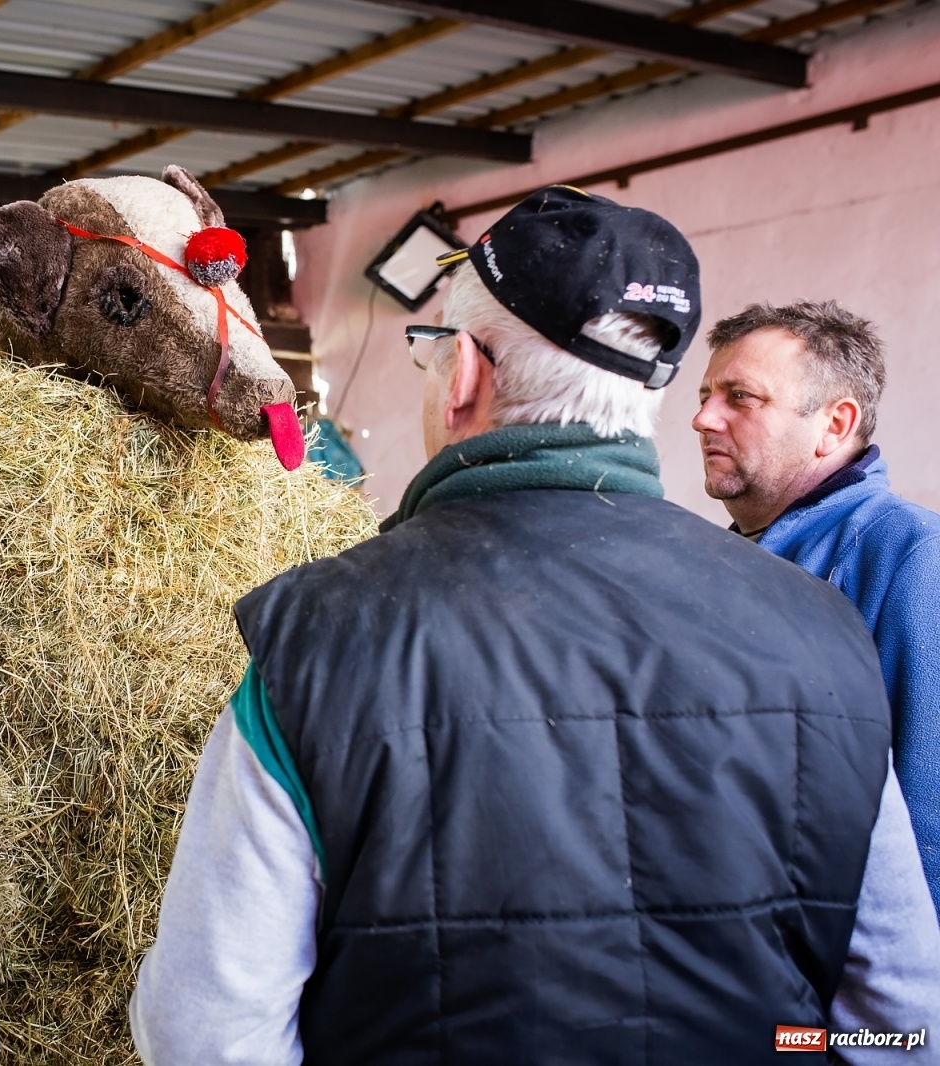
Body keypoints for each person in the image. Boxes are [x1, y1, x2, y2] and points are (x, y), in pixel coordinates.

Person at [129, 187, 940, 1065]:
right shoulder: (821, 632)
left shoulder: (318, 639)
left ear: (465, 374)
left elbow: (204, 1033)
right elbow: (904, 1022)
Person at [694, 301, 940, 912]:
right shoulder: (713, 565)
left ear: (835, 423)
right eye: (705, 395)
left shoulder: (913, 554)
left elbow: (928, 804)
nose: (703, 418)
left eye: (741, 397)